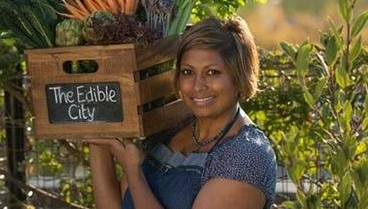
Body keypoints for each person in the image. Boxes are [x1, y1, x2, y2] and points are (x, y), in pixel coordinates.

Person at [85, 17, 277, 209]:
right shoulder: (169, 130)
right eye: (187, 72)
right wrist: (98, 130)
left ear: (239, 76)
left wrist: (134, 172)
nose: (197, 86)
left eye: (212, 72)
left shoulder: (246, 156)